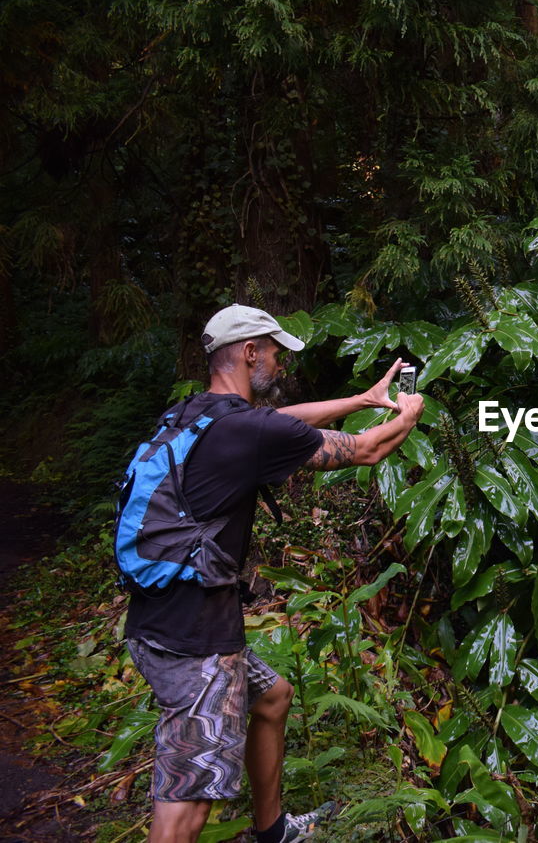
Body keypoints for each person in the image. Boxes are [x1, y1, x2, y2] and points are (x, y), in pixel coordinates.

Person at [122, 304, 425, 843]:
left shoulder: (198, 414)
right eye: (275, 351)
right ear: (249, 352)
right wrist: (406, 414)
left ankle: (273, 830)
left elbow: (284, 423)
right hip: (196, 645)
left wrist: (361, 400)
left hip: (159, 619)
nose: (281, 362)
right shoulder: (245, 429)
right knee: (186, 805)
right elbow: (366, 450)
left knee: (273, 696)